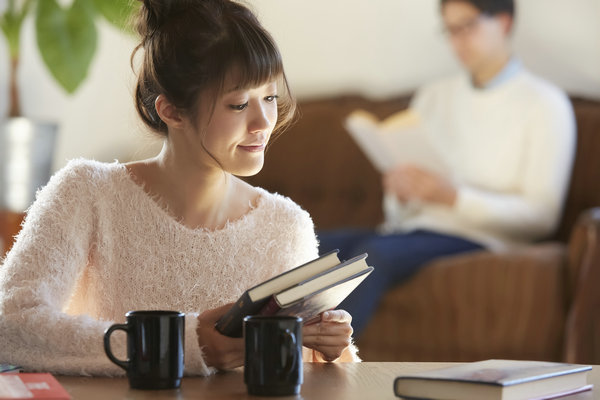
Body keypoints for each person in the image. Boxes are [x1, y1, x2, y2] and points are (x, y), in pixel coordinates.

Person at [0, 0, 358, 376]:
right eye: (238, 104)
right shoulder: (87, 193)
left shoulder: (286, 226)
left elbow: (300, 374)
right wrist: (185, 346)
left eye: (269, 97)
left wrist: (329, 348)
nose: (263, 122)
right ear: (171, 110)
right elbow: (12, 327)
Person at [318, 0, 576, 337]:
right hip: (413, 230)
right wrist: (401, 191)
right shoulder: (434, 96)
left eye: (466, 26)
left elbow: (542, 215)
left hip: (480, 237)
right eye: (450, 29)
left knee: (373, 255)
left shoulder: (545, 104)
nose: (457, 40)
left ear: (504, 22)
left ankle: (319, 369)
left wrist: (454, 198)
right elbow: (399, 211)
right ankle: (248, 355)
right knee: (311, 243)